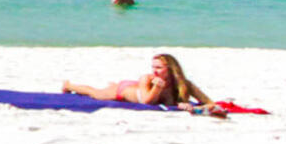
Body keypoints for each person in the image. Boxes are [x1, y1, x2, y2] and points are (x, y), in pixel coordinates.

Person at [62, 53, 213, 111]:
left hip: (133, 88)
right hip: (123, 91)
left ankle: (111, 85)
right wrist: (157, 88)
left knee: (100, 91)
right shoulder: (147, 79)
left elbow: (208, 102)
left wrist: (201, 108)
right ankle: (69, 85)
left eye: (159, 68)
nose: (155, 71)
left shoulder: (184, 84)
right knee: (95, 93)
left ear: (171, 69)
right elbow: (147, 102)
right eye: (153, 67)